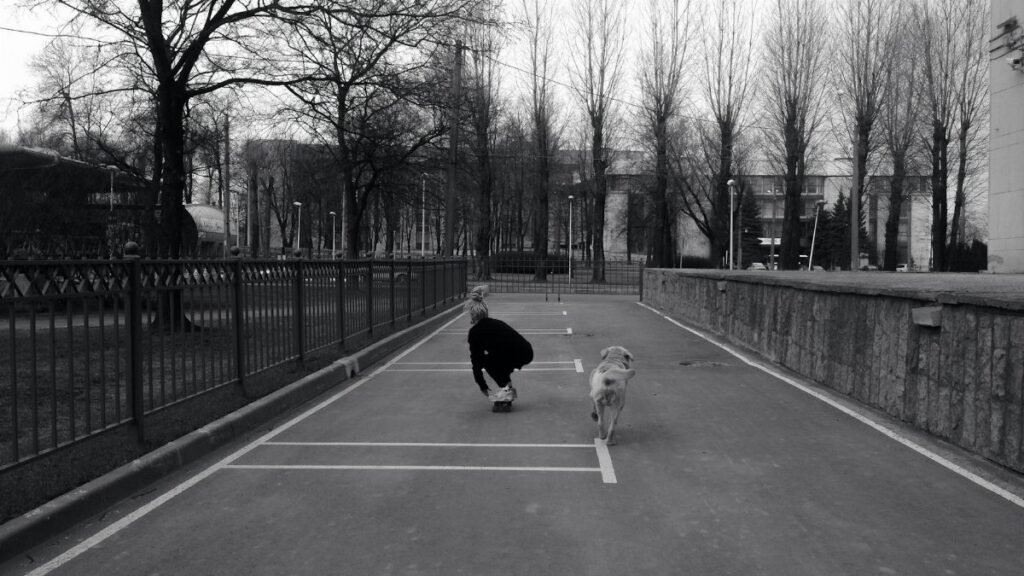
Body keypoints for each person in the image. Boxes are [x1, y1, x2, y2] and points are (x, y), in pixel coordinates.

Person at [464, 286, 533, 408]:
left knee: (486, 361)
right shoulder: (496, 322)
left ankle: (506, 389)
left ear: (472, 315)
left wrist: (482, 385)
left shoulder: (474, 333)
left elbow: (476, 362)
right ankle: (507, 388)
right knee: (494, 357)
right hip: (526, 351)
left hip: (515, 353)